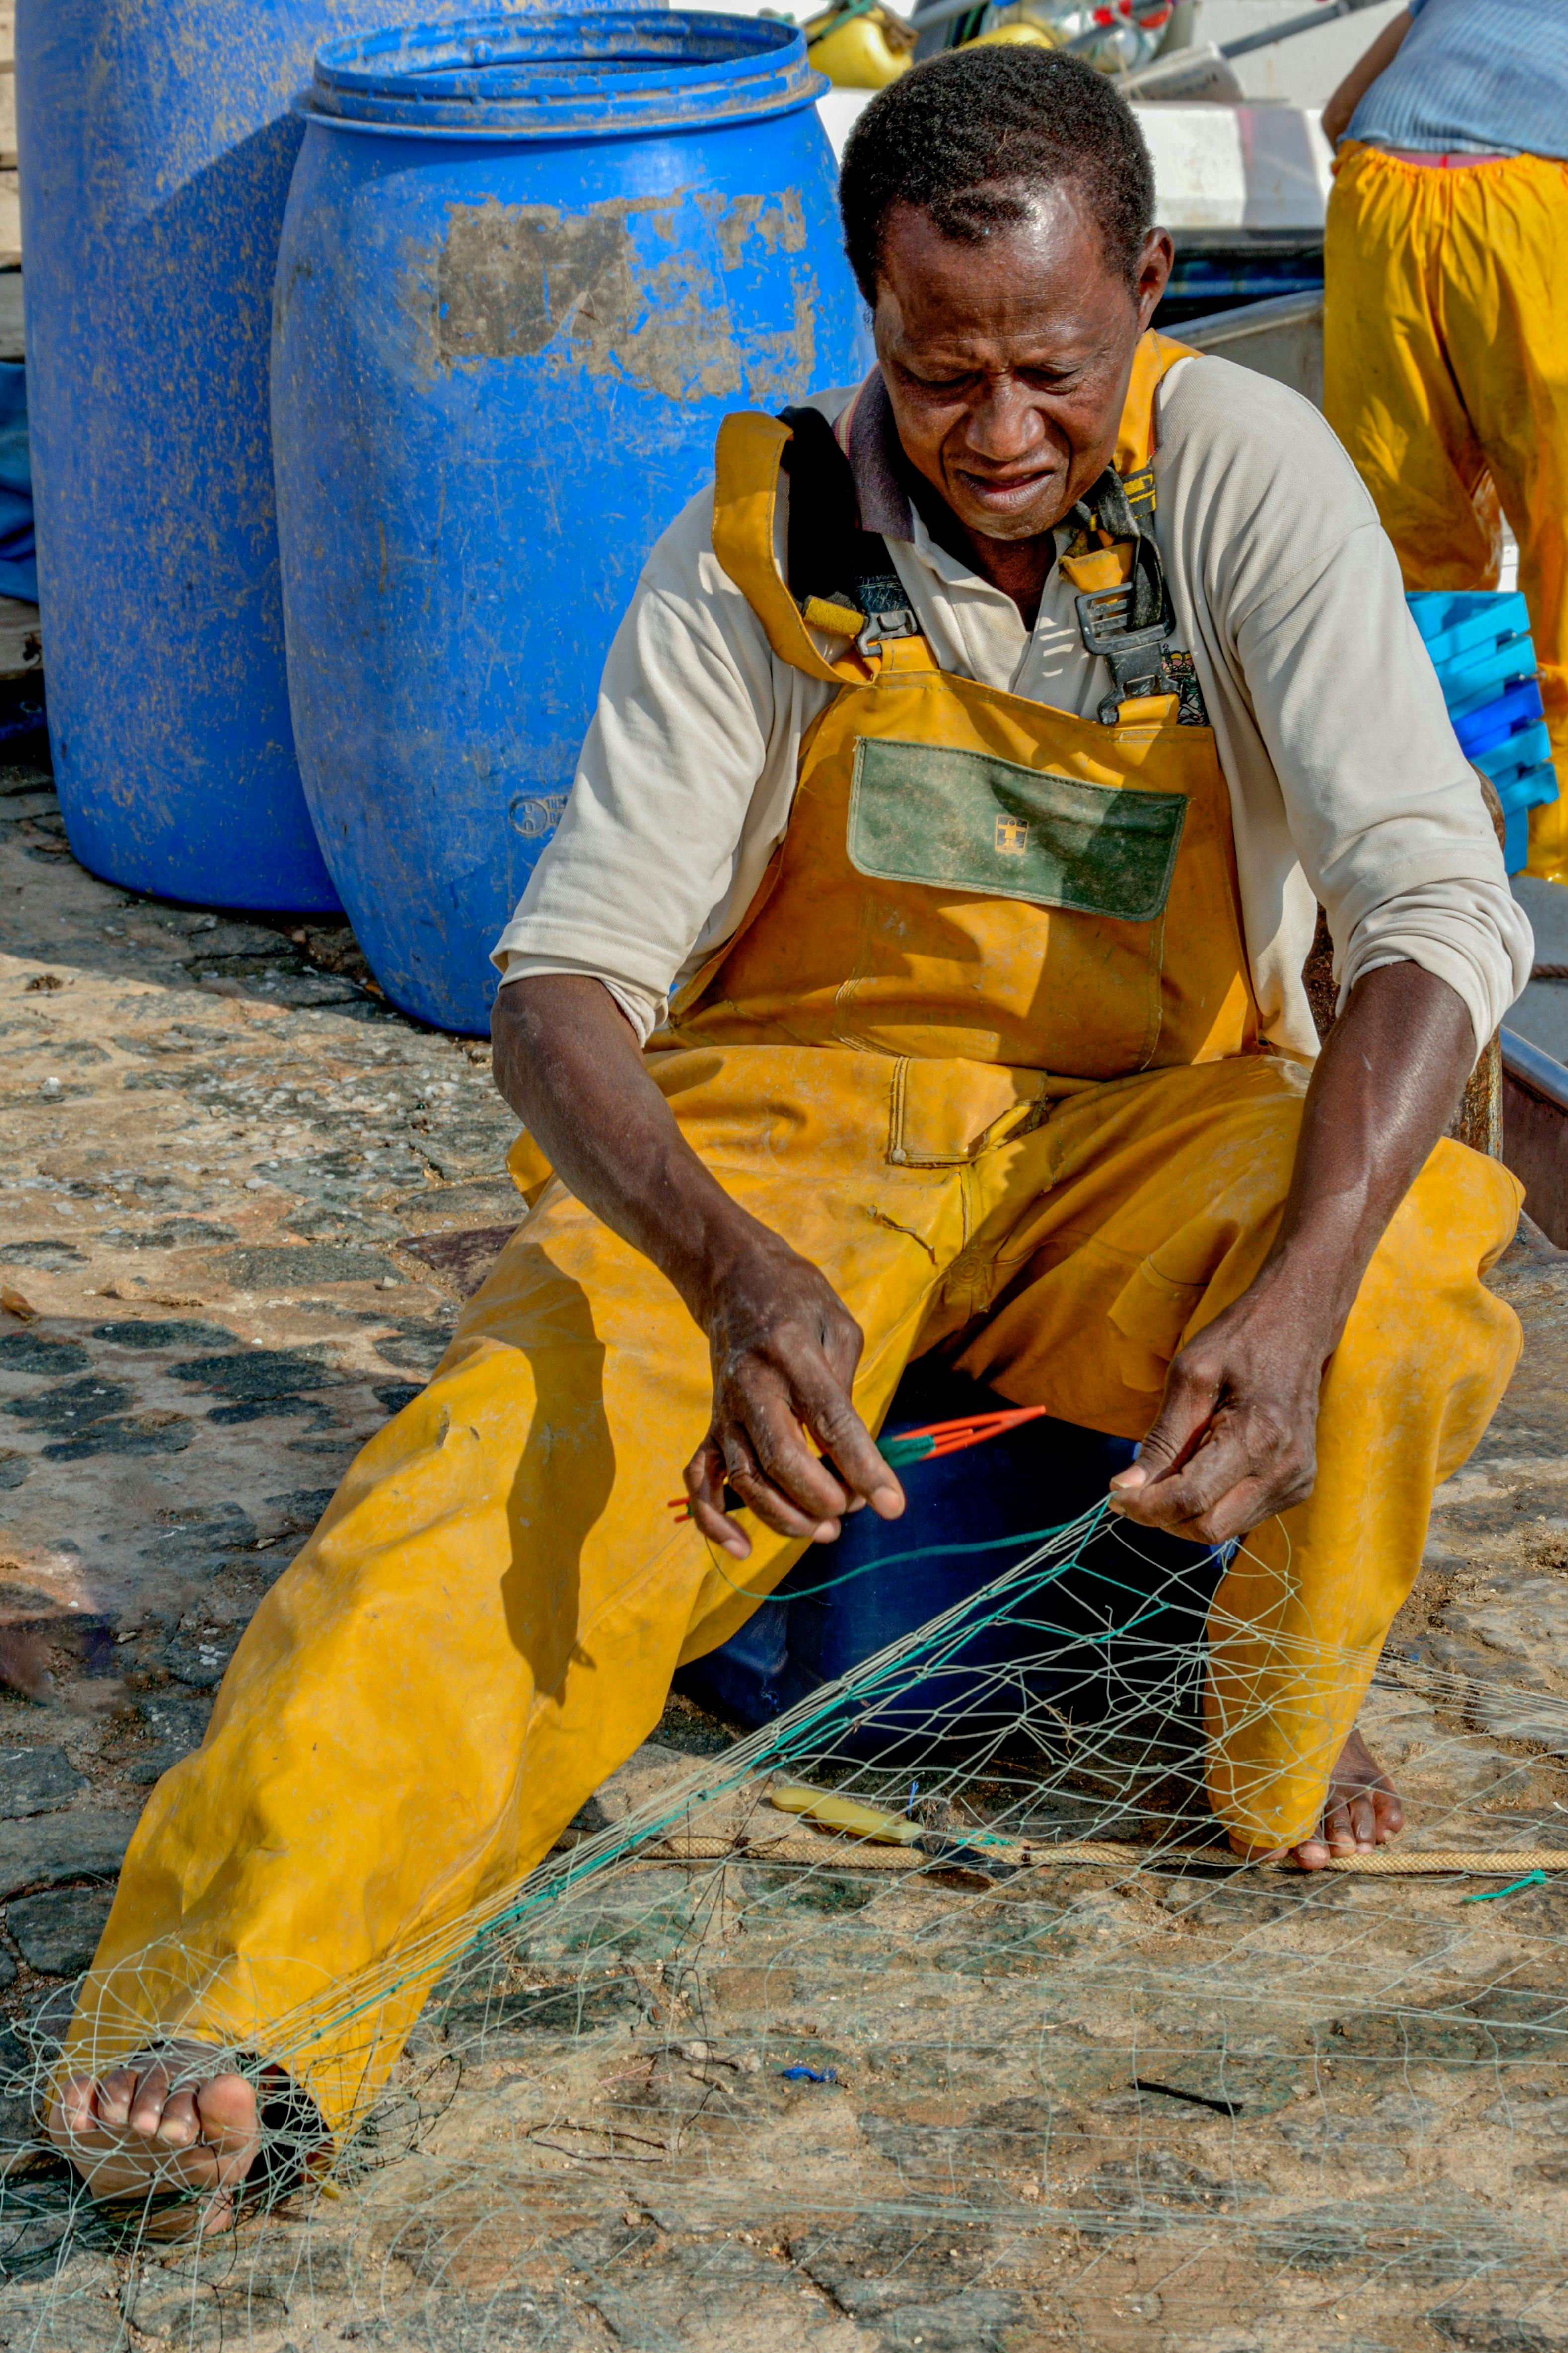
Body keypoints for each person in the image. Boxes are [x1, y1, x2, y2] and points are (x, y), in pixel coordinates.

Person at [49, 44, 1530, 2217]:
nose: (1005, 436)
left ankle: (1271, 1735)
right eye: (944, 380)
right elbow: (561, 989)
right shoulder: (769, 531)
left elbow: (1437, 903)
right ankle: (239, 2001)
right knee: (505, 1463)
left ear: (1146, 283)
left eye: (1056, 369)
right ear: (871, 321)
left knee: (1405, 1266)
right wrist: (730, 1272)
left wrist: (1294, 1291)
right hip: (801, 1132)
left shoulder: (1248, 478)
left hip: (1147, 1122)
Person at [1321, 0, 1568, 880]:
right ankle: (1552, 868)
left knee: (1417, 559)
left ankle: (1467, 839)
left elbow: (1336, 115)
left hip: (1378, 190)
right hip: (1537, 204)